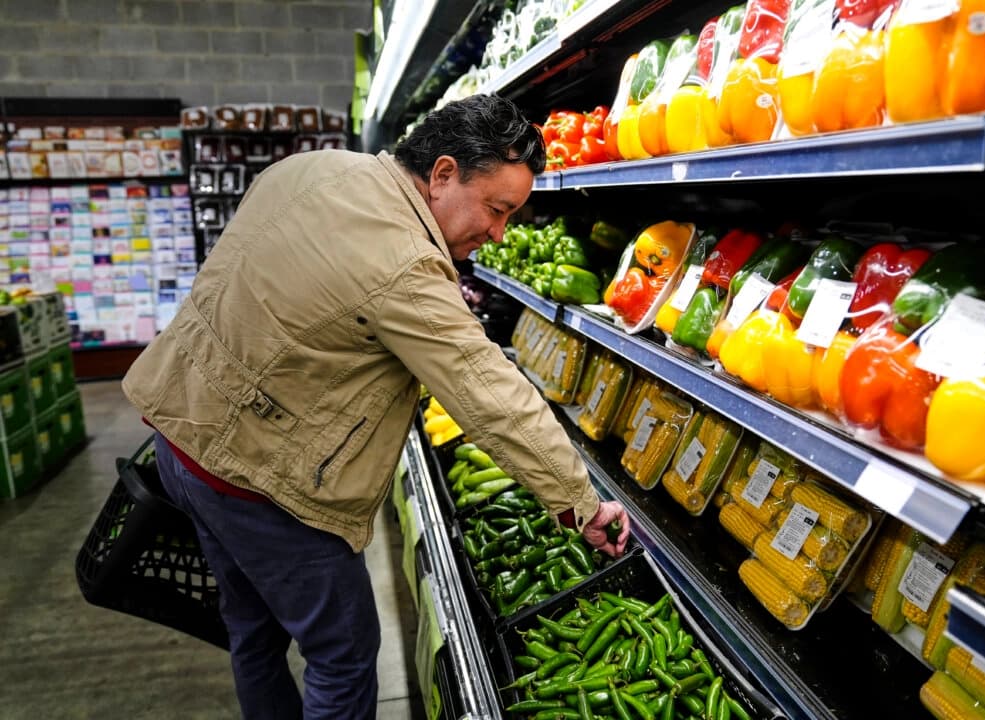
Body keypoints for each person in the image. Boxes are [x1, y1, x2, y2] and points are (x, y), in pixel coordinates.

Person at [121, 94, 631, 720]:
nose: (499, 233)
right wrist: (580, 501)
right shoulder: (404, 262)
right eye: (497, 209)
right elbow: (491, 394)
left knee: (252, 631)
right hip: (261, 484)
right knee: (343, 656)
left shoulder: (313, 167)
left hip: (183, 434)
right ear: (443, 174)